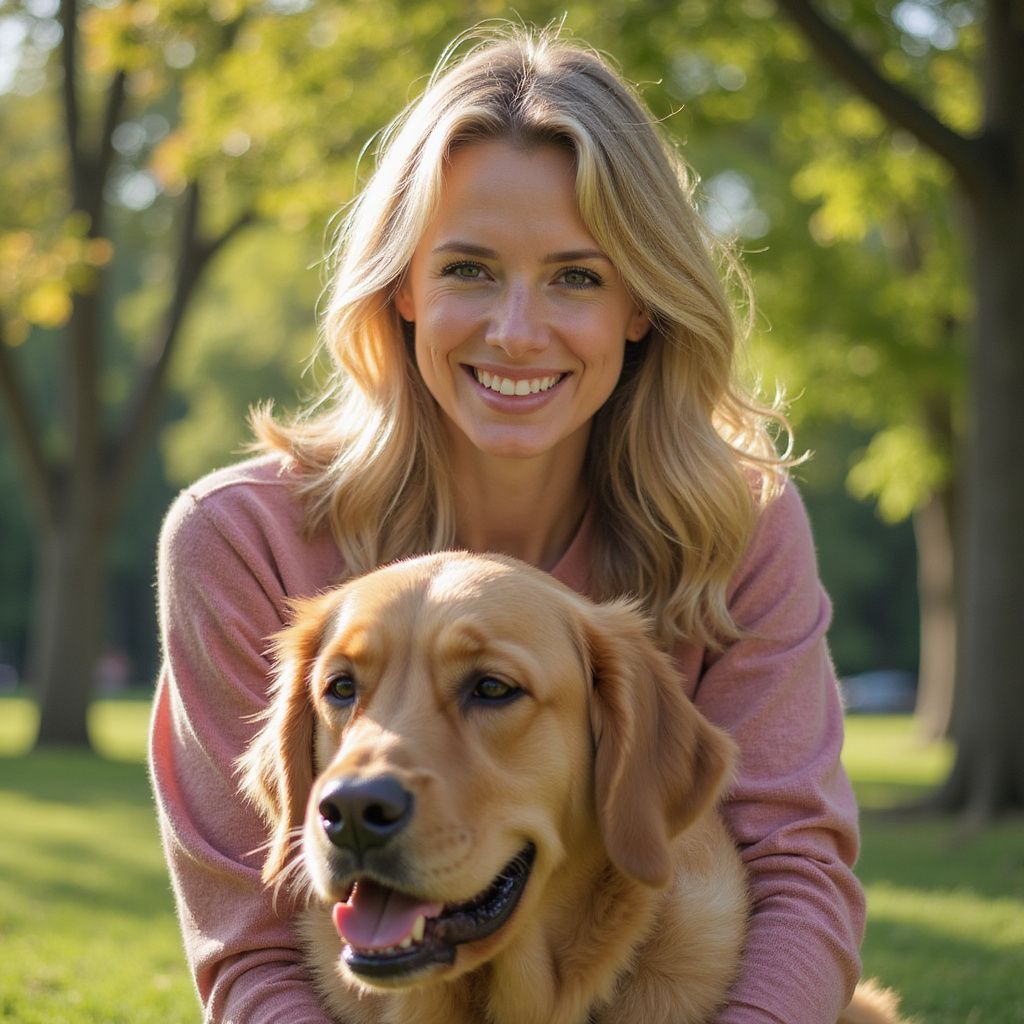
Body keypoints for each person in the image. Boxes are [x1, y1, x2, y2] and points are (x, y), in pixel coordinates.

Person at [149, 23, 865, 1024]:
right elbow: (249, 949)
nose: (516, 330)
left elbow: (798, 872)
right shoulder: (240, 538)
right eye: (468, 270)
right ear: (402, 288)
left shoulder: (733, 522)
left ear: (640, 305)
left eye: (576, 276)